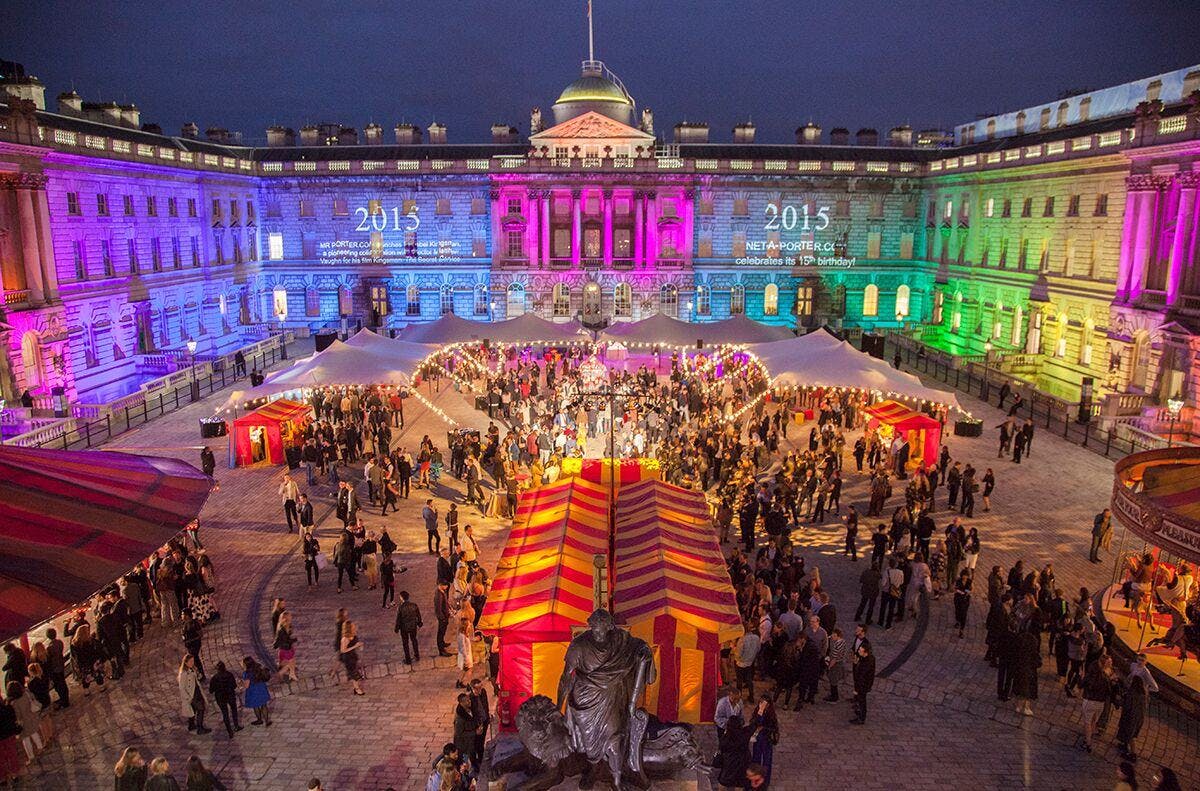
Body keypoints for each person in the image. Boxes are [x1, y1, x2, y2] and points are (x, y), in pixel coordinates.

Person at [1117, 674, 1149, 761]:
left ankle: (1133, 754)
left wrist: (1120, 700)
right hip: (1139, 718)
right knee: (1131, 734)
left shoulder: (1132, 694)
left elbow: (1127, 705)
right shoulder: (1143, 694)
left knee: (1131, 736)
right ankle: (1125, 745)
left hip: (1131, 717)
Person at [716, 713, 751, 791]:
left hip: (729, 764)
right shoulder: (745, 734)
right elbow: (755, 724)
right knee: (739, 784)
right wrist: (761, 710)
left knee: (723, 782)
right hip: (742, 764)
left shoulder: (725, 738)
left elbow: (721, 748)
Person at [177, 654, 210, 734]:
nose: (192, 663)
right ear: (185, 662)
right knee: (201, 709)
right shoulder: (183, 674)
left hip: (196, 691)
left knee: (193, 709)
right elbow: (182, 688)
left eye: (193, 661)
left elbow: (197, 679)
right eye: (191, 661)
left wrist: (199, 675)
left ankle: (191, 725)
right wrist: (188, 698)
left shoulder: (192, 669)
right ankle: (200, 728)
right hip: (192, 694)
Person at [749, 695, 777, 786]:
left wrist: (764, 728)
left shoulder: (771, 714)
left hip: (767, 740)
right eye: (761, 702)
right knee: (756, 759)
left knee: (766, 761)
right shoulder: (758, 711)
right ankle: (755, 779)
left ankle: (765, 782)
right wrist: (760, 712)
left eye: (764, 703)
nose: (762, 705)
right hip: (758, 739)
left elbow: (774, 728)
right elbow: (753, 723)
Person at [208, 661, 242, 738]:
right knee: (234, 710)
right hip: (230, 695)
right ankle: (236, 726)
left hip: (220, 697)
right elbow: (234, 686)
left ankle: (229, 731)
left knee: (225, 713)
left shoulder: (214, 678)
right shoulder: (229, 675)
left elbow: (211, 690)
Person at [850, 639, 875, 724]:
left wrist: (856, 689)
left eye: (861, 650)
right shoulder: (869, 658)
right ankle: (860, 713)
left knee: (862, 701)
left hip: (863, 686)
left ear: (865, 652)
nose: (859, 651)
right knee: (861, 700)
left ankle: (861, 718)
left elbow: (861, 676)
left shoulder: (866, 663)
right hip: (865, 684)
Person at [242, 657, 272, 726]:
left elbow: (246, 686)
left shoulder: (247, 673)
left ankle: (259, 720)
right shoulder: (258, 668)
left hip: (253, 692)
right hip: (262, 689)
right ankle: (267, 721)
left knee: (256, 706)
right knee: (264, 705)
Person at [395, 590, 423, 664]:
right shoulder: (414, 605)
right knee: (414, 640)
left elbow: (398, 619)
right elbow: (418, 615)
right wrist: (419, 623)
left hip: (404, 627)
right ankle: (417, 655)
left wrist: (396, 628)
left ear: (401, 598)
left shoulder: (400, 607)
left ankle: (408, 659)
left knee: (405, 643)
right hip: (413, 626)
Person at [469, 677, 491, 769]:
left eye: (481, 687)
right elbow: (471, 715)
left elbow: (485, 705)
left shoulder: (483, 692)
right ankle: (475, 764)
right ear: (473, 689)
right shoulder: (470, 699)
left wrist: (487, 716)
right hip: (476, 725)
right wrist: (477, 726)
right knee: (475, 744)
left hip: (484, 721)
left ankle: (481, 759)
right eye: (478, 688)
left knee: (481, 742)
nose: (480, 690)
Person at [340, 620, 365, 696]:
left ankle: (356, 688)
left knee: (355, 672)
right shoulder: (345, 639)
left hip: (353, 656)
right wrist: (355, 646)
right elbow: (343, 650)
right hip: (347, 658)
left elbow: (358, 646)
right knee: (355, 674)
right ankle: (357, 689)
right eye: (352, 626)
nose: (354, 627)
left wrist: (360, 646)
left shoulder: (354, 635)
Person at [274, 611, 298, 683]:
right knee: (288, 665)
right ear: (286, 618)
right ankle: (279, 674)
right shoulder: (281, 629)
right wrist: (293, 640)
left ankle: (292, 674)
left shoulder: (288, 626)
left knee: (292, 662)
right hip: (285, 650)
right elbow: (285, 641)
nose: (291, 617)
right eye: (290, 616)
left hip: (289, 649)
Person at [455, 619, 475, 689]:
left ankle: (461, 681)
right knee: (469, 669)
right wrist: (466, 658)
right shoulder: (461, 636)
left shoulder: (464, 634)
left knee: (466, 669)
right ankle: (464, 683)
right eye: (468, 624)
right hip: (465, 656)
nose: (470, 625)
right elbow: (462, 647)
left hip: (467, 654)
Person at [953, 568, 972, 638]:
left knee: (964, 614)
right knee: (957, 611)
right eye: (964, 575)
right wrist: (960, 592)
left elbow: (971, 589)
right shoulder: (958, 581)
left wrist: (968, 592)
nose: (965, 577)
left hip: (965, 599)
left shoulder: (969, 581)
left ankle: (961, 630)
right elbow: (956, 589)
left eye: (966, 576)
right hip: (958, 598)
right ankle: (957, 620)